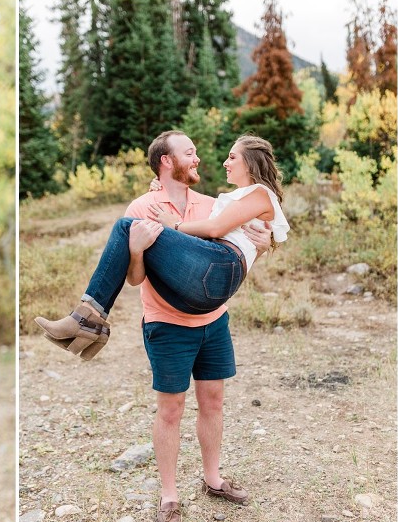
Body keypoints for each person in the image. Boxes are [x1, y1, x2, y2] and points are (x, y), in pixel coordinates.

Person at [36, 130, 285, 522]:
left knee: (214, 401)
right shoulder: (144, 205)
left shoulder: (211, 203)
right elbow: (136, 278)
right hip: (168, 323)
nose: (199, 159)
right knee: (171, 409)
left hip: (212, 318)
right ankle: (169, 497)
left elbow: (244, 227)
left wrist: (267, 234)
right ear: (166, 161)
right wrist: (137, 249)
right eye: (190, 153)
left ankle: (213, 479)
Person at [35, 133, 289, 359]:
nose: (224, 162)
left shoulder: (257, 193)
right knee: (132, 228)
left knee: (125, 227)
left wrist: (173, 225)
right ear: (166, 161)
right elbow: (237, 235)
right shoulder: (233, 199)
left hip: (219, 271)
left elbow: (216, 230)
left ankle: (86, 316)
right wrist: (157, 194)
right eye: (190, 153)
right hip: (195, 291)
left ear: (250, 162)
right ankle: (90, 322)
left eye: (232, 157)